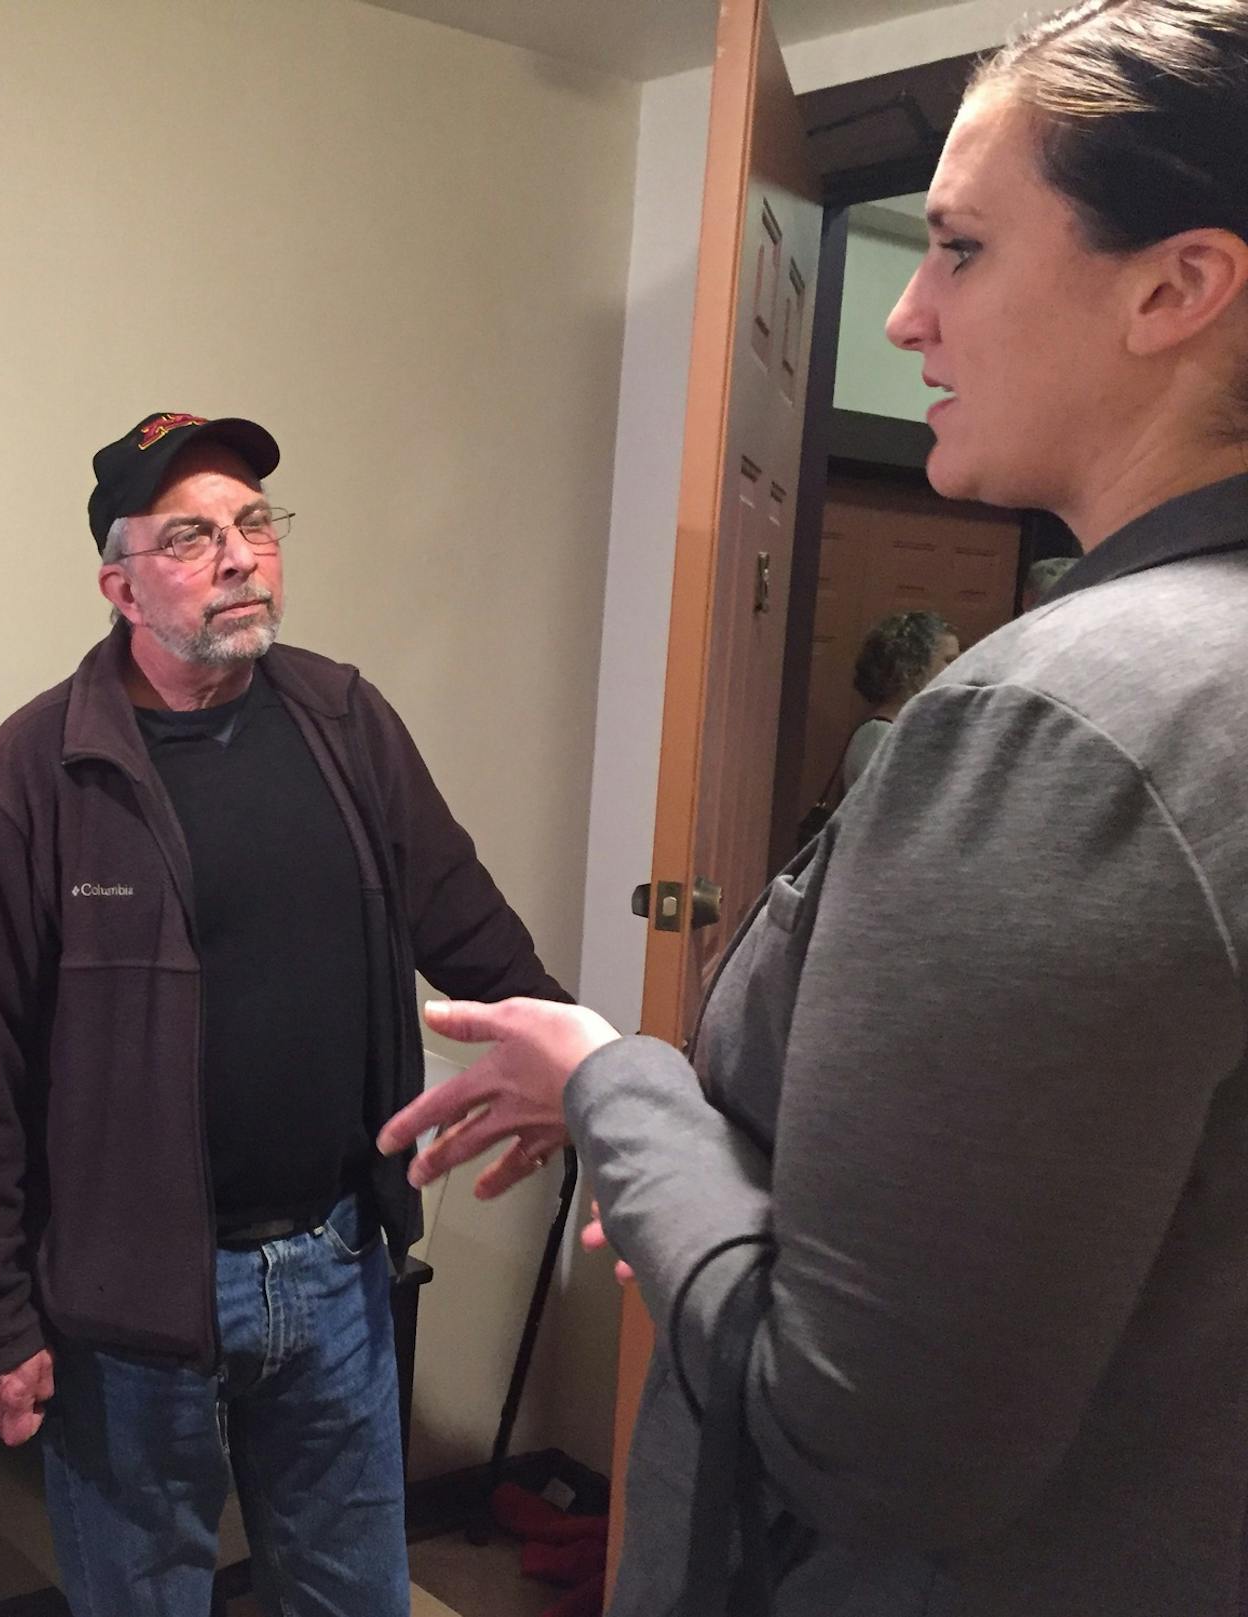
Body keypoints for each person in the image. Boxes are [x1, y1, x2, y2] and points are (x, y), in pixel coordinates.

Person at [381, 4, 1248, 1613]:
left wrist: (614, 1083)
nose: (908, 315)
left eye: (966, 250)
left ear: (1178, 285)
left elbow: (864, 1438)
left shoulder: (1059, 725)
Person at [0, 411, 571, 1616]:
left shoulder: (345, 722)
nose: (238, 555)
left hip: (334, 1270)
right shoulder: (37, 772)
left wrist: (581, 1073)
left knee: (351, 1598)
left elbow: (468, 927)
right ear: (119, 583)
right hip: (131, 1303)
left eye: (256, 524)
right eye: (191, 535)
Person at [842, 608, 959, 787]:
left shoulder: (911, 729)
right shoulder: (878, 735)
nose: (958, 668)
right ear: (912, 666)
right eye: (949, 660)